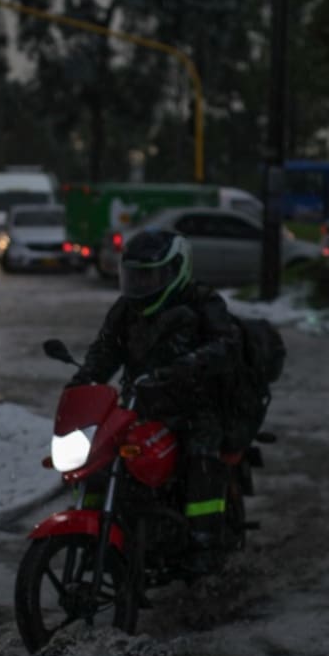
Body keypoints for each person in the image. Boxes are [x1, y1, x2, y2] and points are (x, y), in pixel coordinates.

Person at [69, 229, 241, 574]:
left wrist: (186, 367)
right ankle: (90, 532)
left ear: (177, 269)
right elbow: (106, 349)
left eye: (150, 275)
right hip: (139, 404)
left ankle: (203, 541)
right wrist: (84, 381)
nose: (141, 283)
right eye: (134, 275)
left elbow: (226, 345)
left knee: (200, 454)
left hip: (194, 406)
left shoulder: (202, 302)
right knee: (99, 455)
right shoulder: (126, 309)